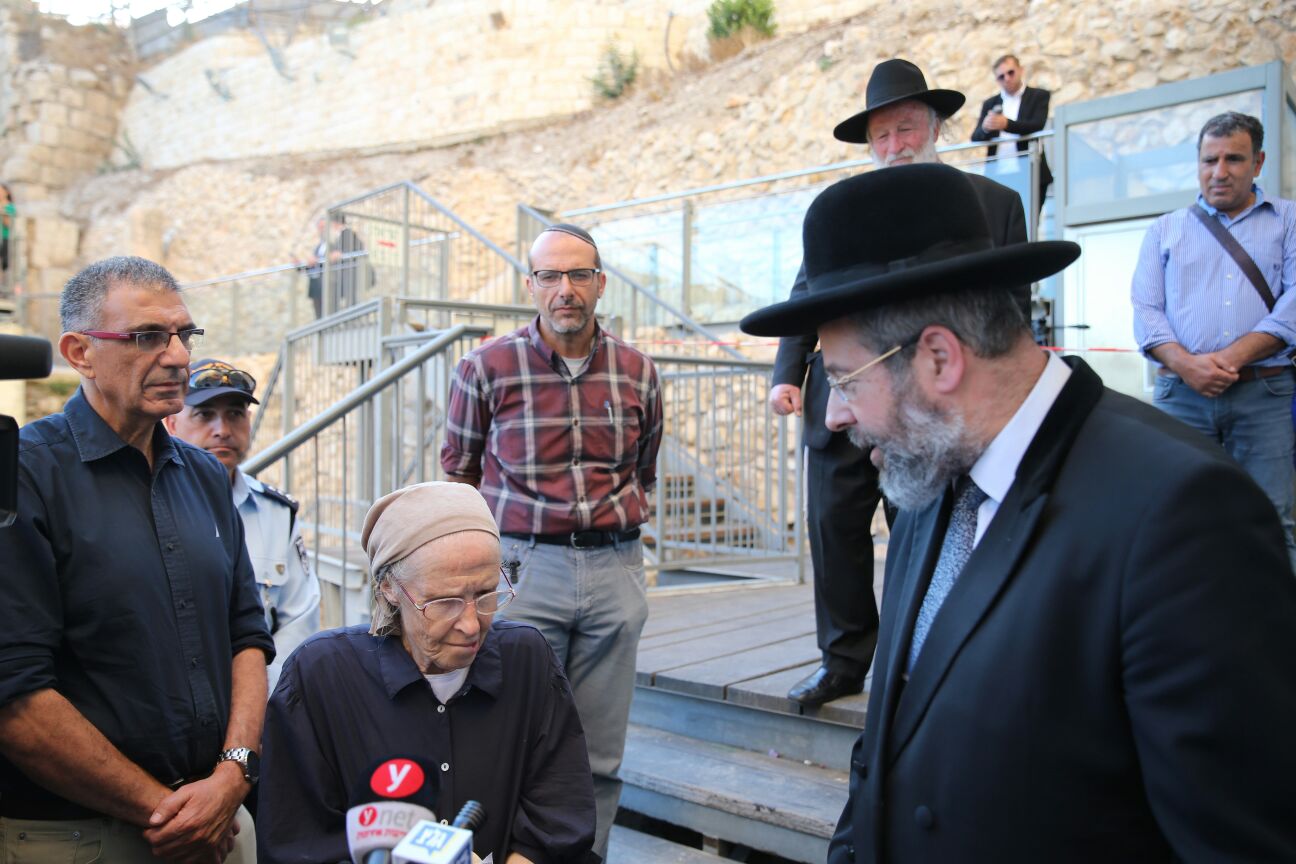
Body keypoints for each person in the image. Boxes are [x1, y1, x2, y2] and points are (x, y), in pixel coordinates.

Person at [740, 163, 1296, 861]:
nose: (834, 412)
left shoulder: (1184, 516)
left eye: (846, 378)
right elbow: (884, 749)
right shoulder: (931, 476)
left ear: (939, 359)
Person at [773, 58, 1029, 707]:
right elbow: (805, 300)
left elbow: (1012, 308)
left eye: (906, 129)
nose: (894, 146)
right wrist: (788, 377)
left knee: (926, 528)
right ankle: (843, 660)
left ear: (936, 126)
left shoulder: (993, 203)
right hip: (842, 399)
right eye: (881, 136)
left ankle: (921, 657)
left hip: (933, 404)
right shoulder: (841, 213)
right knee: (834, 532)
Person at [0, 256, 273, 862]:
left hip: (220, 819)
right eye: (147, 337)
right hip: (77, 837)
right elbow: (16, 697)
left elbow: (247, 634)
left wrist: (233, 776)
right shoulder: (24, 476)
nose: (177, 356)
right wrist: (169, 812)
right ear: (79, 352)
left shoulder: (203, 475)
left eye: (184, 334)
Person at [441, 223, 662, 860]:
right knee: (503, 733)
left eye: (578, 275)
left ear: (599, 283)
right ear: (530, 284)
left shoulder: (639, 372)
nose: (565, 290)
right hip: (520, 571)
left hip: (616, 569)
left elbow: (643, 470)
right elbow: (457, 472)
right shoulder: (485, 368)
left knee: (599, 751)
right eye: (550, 276)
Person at [257, 481, 597, 864]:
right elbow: (295, 841)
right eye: (445, 602)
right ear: (389, 588)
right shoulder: (320, 677)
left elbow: (560, 817)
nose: (471, 624)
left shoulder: (528, 660)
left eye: (486, 594)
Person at [1132, 111, 1296, 571]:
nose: (1219, 172)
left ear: (1258, 162)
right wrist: (1187, 365)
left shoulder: (1289, 221)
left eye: (1234, 159)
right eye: (1209, 160)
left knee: (1269, 518)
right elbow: (1145, 309)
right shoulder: (1164, 229)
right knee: (1174, 515)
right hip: (1180, 396)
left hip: (1264, 394)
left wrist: (1225, 359)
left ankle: (1273, 635)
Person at [164, 357, 321, 692]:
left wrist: (255, 703)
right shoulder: (154, 505)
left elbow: (299, 621)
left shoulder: (275, 512)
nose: (222, 429)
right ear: (171, 424)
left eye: (235, 414)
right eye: (205, 415)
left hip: (264, 701)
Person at [970, 54, 1054, 214]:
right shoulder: (991, 103)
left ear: (1020, 70)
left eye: (1010, 73)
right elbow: (976, 137)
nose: (1007, 79)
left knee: (1029, 221)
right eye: (1001, 76)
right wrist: (986, 128)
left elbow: (1037, 125)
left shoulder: (1038, 96)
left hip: (1030, 169)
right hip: (998, 171)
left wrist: (1006, 124)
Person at [302, 214, 369, 318]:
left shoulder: (343, 237)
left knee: (337, 309)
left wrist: (339, 254)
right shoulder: (321, 245)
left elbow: (350, 251)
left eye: (324, 227)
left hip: (339, 279)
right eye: (320, 228)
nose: (322, 230)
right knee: (321, 313)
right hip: (321, 283)